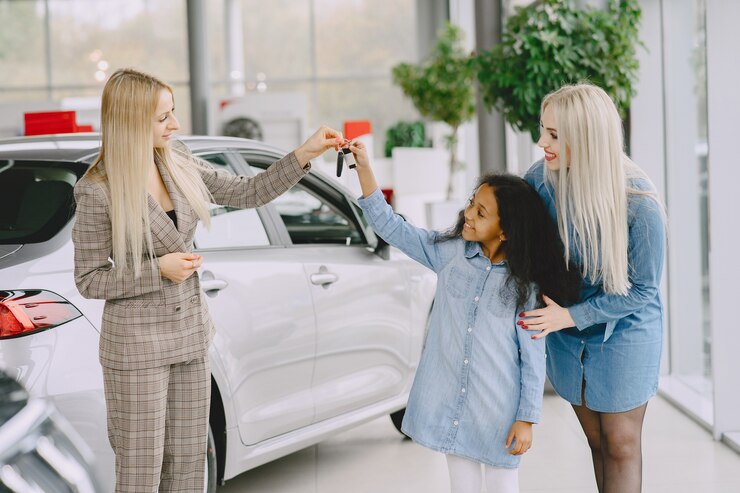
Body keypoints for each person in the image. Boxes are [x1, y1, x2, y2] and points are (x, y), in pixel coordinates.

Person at [71, 68, 343, 493]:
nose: (175, 125)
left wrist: (304, 152)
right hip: (137, 348)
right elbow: (89, 279)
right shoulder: (97, 190)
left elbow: (247, 192)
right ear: (131, 120)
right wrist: (156, 270)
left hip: (191, 336)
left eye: (172, 113)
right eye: (163, 118)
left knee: (188, 466)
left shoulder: (176, 160)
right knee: (142, 470)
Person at [347, 139, 580, 493]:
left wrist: (526, 418)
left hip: (498, 412)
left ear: (505, 231)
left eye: (481, 212)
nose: (468, 214)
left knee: (503, 485)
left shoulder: (526, 286)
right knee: (463, 486)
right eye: (472, 203)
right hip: (451, 405)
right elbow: (390, 226)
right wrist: (364, 167)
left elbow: (532, 358)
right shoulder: (450, 253)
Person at [520, 83, 666, 493]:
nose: (541, 143)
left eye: (553, 135)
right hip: (568, 337)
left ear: (585, 140)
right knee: (597, 442)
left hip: (625, 332)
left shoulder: (640, 202)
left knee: (621, 445)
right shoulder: (538, 180)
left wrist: (569, 315)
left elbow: (642, 291)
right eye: (542, 130)